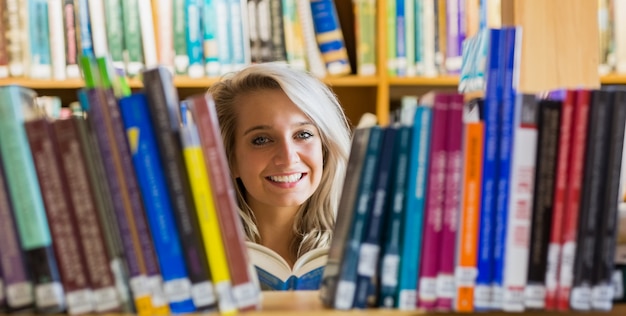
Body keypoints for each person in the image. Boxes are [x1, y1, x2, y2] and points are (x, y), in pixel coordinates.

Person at [208, 63, 352, 270]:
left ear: (325, 149)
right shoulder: (201, 261)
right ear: (230, 160)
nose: (287, 157)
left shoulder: (362, 249)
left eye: (303, 134)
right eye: (261, 140)